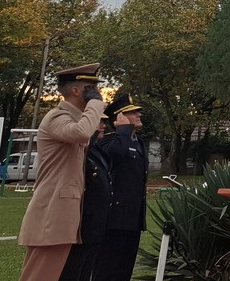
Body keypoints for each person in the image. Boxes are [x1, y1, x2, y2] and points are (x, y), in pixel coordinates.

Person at [17, 63, 107, 281]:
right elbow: (83, 133)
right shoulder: (57, 117)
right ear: (76, 91)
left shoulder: (74, 117)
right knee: (41, 275)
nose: (98, 93)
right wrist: (95, 104)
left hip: (64, 212)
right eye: (91, 88)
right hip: (53, 211)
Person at [93, 94, 147, 281]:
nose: (138, 114)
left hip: (133, 217)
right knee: (108, 268)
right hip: (114, 217)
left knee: (125, 268)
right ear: (120, 118)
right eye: (132, 112)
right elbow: (114, 154)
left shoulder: (139, 143)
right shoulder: (109, 141)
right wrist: (123, 131)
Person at [60, 115, 112, 281]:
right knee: (73, 269)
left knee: (86, 269)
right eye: (99, 121)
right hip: (82, 221)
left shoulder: (97, 151)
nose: (103, 125)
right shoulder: (81, 150)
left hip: (96, 222)